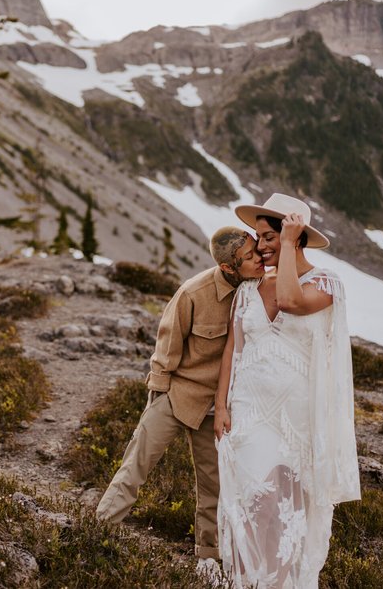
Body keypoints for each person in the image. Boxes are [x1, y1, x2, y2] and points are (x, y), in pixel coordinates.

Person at [96, 226, 265, 574]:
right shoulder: (193, 293)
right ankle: (97, 530)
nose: (258, 258)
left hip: (217, 408)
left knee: (213, 485)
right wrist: (154, 404)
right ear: (229, 267)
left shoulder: (257, 291)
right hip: (176, 396)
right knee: (135, 467)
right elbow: (166, 349)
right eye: (249, 256)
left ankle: (208, 557)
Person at [214, 193, 360, 588]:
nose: (259, 247)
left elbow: (290, 300)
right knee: (250, 504)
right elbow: (233, 348)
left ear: (293, 236)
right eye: (258, 238)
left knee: (285, 512)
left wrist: (293, 240)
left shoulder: (328, 284)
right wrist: (220, 405)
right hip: (248, 412)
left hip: (297, 419)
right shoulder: (248, 290)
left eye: (268, 237)